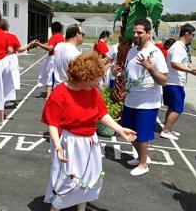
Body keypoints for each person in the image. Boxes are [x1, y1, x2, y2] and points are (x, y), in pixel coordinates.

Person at [41, 53, 136, 211]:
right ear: (84, 76)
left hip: (90, 142)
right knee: (67, 181)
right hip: (70, 142)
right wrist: (58, 146)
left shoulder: (92, 91)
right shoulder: (60, 93)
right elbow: (52, 123)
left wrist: (120, 129)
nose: (98, 82)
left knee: (89, 179)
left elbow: (101, 114)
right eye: (95, 79)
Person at [112, 18, 168, 176]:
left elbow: (164, 80)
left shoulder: (155, 53)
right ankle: (143, 157)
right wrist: (118, 74)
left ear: (149, 33)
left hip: (148, 103)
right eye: (134, 32)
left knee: (142, 136)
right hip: (131, 100)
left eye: (140, 32)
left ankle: (143, 164)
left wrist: (150, 69)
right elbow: (128, 74)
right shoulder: (132, 51)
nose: (136, 35)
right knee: (129, 133)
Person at [161, 24, 196, 140]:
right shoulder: (179, 47)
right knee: (178, 108)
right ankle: (166, 130)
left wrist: (189, 66)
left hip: (173, 81)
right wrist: (190, 70)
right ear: (187, 34)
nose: (193, 37)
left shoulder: (179, 47)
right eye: (192, 35)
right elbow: (174, 63)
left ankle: (168, 128)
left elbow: (178, 63)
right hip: (174, 82)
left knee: (172, 106)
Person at [0, 19, 36, 105]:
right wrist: (30, 44)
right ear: (7, 27)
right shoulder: (12, 36)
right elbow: (20, 50)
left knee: (0, 79)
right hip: (10, 59)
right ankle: (6, 100)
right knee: (9, 80)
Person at [36, 21, 64, 99]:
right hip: (59, 58)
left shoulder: (54, 37)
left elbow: (50, 48)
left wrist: (39, 44)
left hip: (52, 58)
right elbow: (50, 44)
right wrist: (41, 44)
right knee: (56, 75)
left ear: (52, 30)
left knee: (50, 75)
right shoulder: (61, 37)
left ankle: (48, 95)